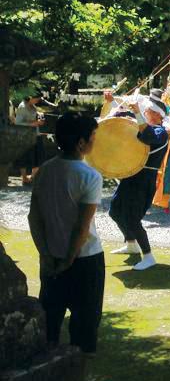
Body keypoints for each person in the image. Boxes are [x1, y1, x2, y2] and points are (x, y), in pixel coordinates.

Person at [27, 113, 104, 361]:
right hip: (84, 260)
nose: (95, 141)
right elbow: (81, 228)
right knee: (85, 326)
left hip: (51, 257)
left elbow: (34, 218)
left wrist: (46, 254)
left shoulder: (44, 171)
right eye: (93, 137)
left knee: (50, 320)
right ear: (81, 143)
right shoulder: (89, 176)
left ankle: (48, 378)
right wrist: (69, 259)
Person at [104, 89, 168, 271]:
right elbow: (124, 122)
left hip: (144, 179)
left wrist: (138, 113)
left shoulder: (160, 132)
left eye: (148, 111)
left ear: (156, 115)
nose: (145, 112)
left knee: (132, 218)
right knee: (115, 211)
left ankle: (148, 256)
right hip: (132, 175)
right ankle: (131, 244)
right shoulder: (144, 124)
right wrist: (112, 102)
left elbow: (146, 135)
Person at [14, 94, 45, 184]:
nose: (37, 101)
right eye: (36, 99)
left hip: (35, 134)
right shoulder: (22, 106)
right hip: (25, 135)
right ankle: (24, 177)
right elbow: (18, 122)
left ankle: (33, 176)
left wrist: (39, 116)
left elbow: (34, 118)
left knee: (39, 155)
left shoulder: (33, 106)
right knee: (24, 156)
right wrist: (33, 123)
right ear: (31, 97)